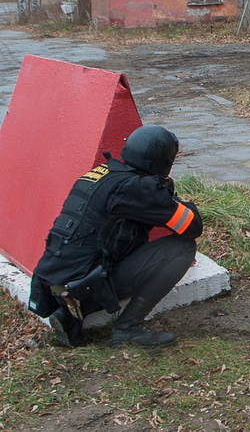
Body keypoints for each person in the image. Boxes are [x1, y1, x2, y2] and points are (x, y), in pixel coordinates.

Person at [28, 125, 202, 349]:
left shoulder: (99, 174)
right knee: (183, 249)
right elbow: (191, 226)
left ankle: (68, 310)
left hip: (50, 281)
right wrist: (173, 198)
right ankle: (127, 327)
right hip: (86, 285)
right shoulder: (139, 189)